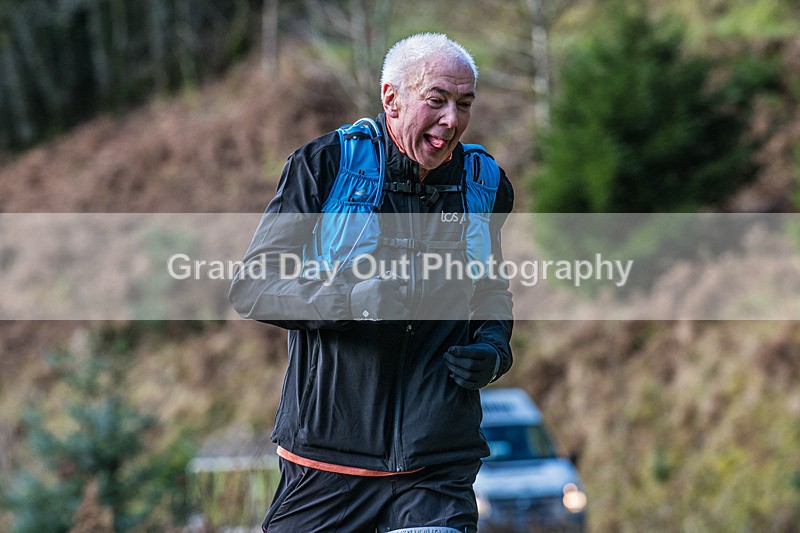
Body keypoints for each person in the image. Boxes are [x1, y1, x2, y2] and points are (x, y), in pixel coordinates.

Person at [230, 32, 514, 533]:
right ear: (392, 98)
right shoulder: (324, 167)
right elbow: (253, 286)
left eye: (464, 103)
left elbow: (489, 287)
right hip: (327, 464)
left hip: (437, 466)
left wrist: (493, 346)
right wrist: (351, 299)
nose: (452, 119)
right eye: (437, 100)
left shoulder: (483, 185)